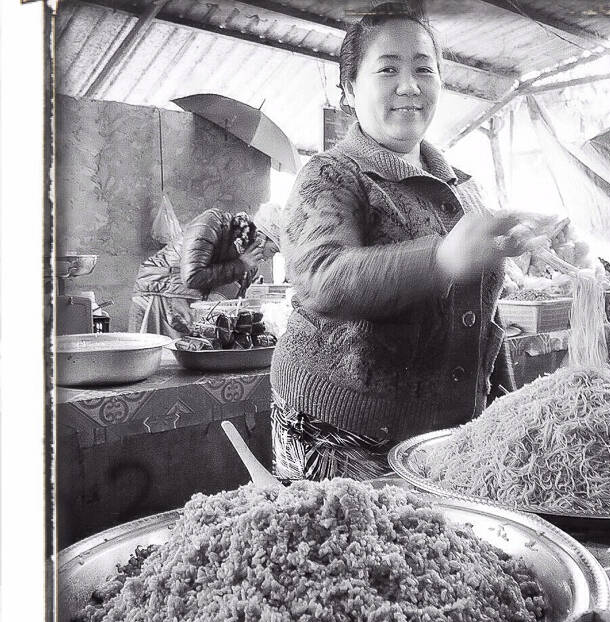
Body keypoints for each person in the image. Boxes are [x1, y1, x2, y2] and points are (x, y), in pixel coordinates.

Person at [270, 2, 558, 482]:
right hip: (340, 439)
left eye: (424, 69)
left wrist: (503, 406)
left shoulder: (464, 187)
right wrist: (443, 258)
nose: (410, 85)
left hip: (445, 438)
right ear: (349, 89)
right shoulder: (330, 174)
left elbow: (484, 313)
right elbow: (322, 278)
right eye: (388, 70)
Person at [129, 209, 268, 337]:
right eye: (273, 249)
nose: (269, 258)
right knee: (149, 357)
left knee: (183, 358)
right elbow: (192, 277)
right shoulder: (211, 223)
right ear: (261, 239)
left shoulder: (247, 259)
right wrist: (241, 265)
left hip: (184, 305)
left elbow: (233, 301)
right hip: (158, 295)